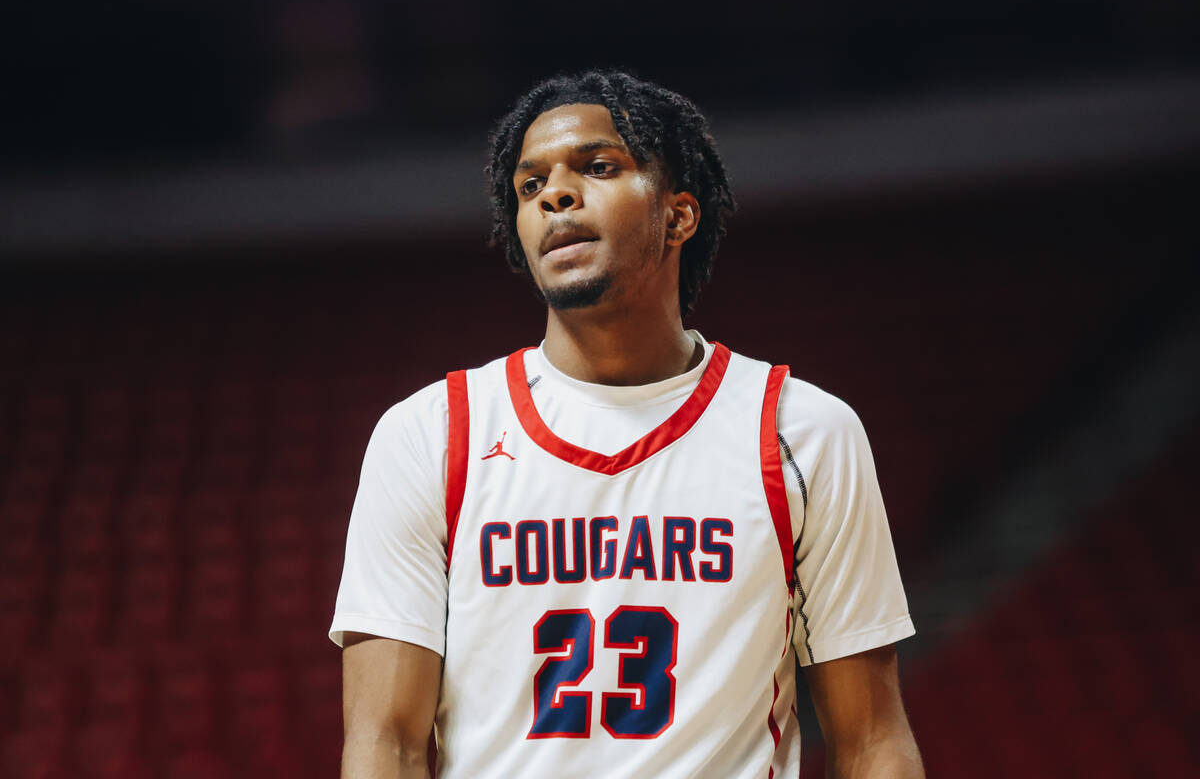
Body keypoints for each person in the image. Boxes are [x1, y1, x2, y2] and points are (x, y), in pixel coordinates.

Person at [331, 69, 923, 778]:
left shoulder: (803, 433)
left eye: (598, 166)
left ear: (678, 215)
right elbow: (385, 742)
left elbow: (871, 739)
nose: (554, 194)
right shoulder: (432, 434)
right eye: (529, 186)